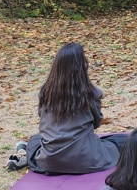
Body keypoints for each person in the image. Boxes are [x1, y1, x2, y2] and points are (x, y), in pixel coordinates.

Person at [8, 42, 126, 174]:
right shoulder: (91, 93)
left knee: (35, 140)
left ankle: (24, 153)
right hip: (85, 159)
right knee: (121, 141)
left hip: (50, 162)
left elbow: (44, 123)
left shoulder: (45, 93)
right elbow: (96, 123)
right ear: (82, 66)